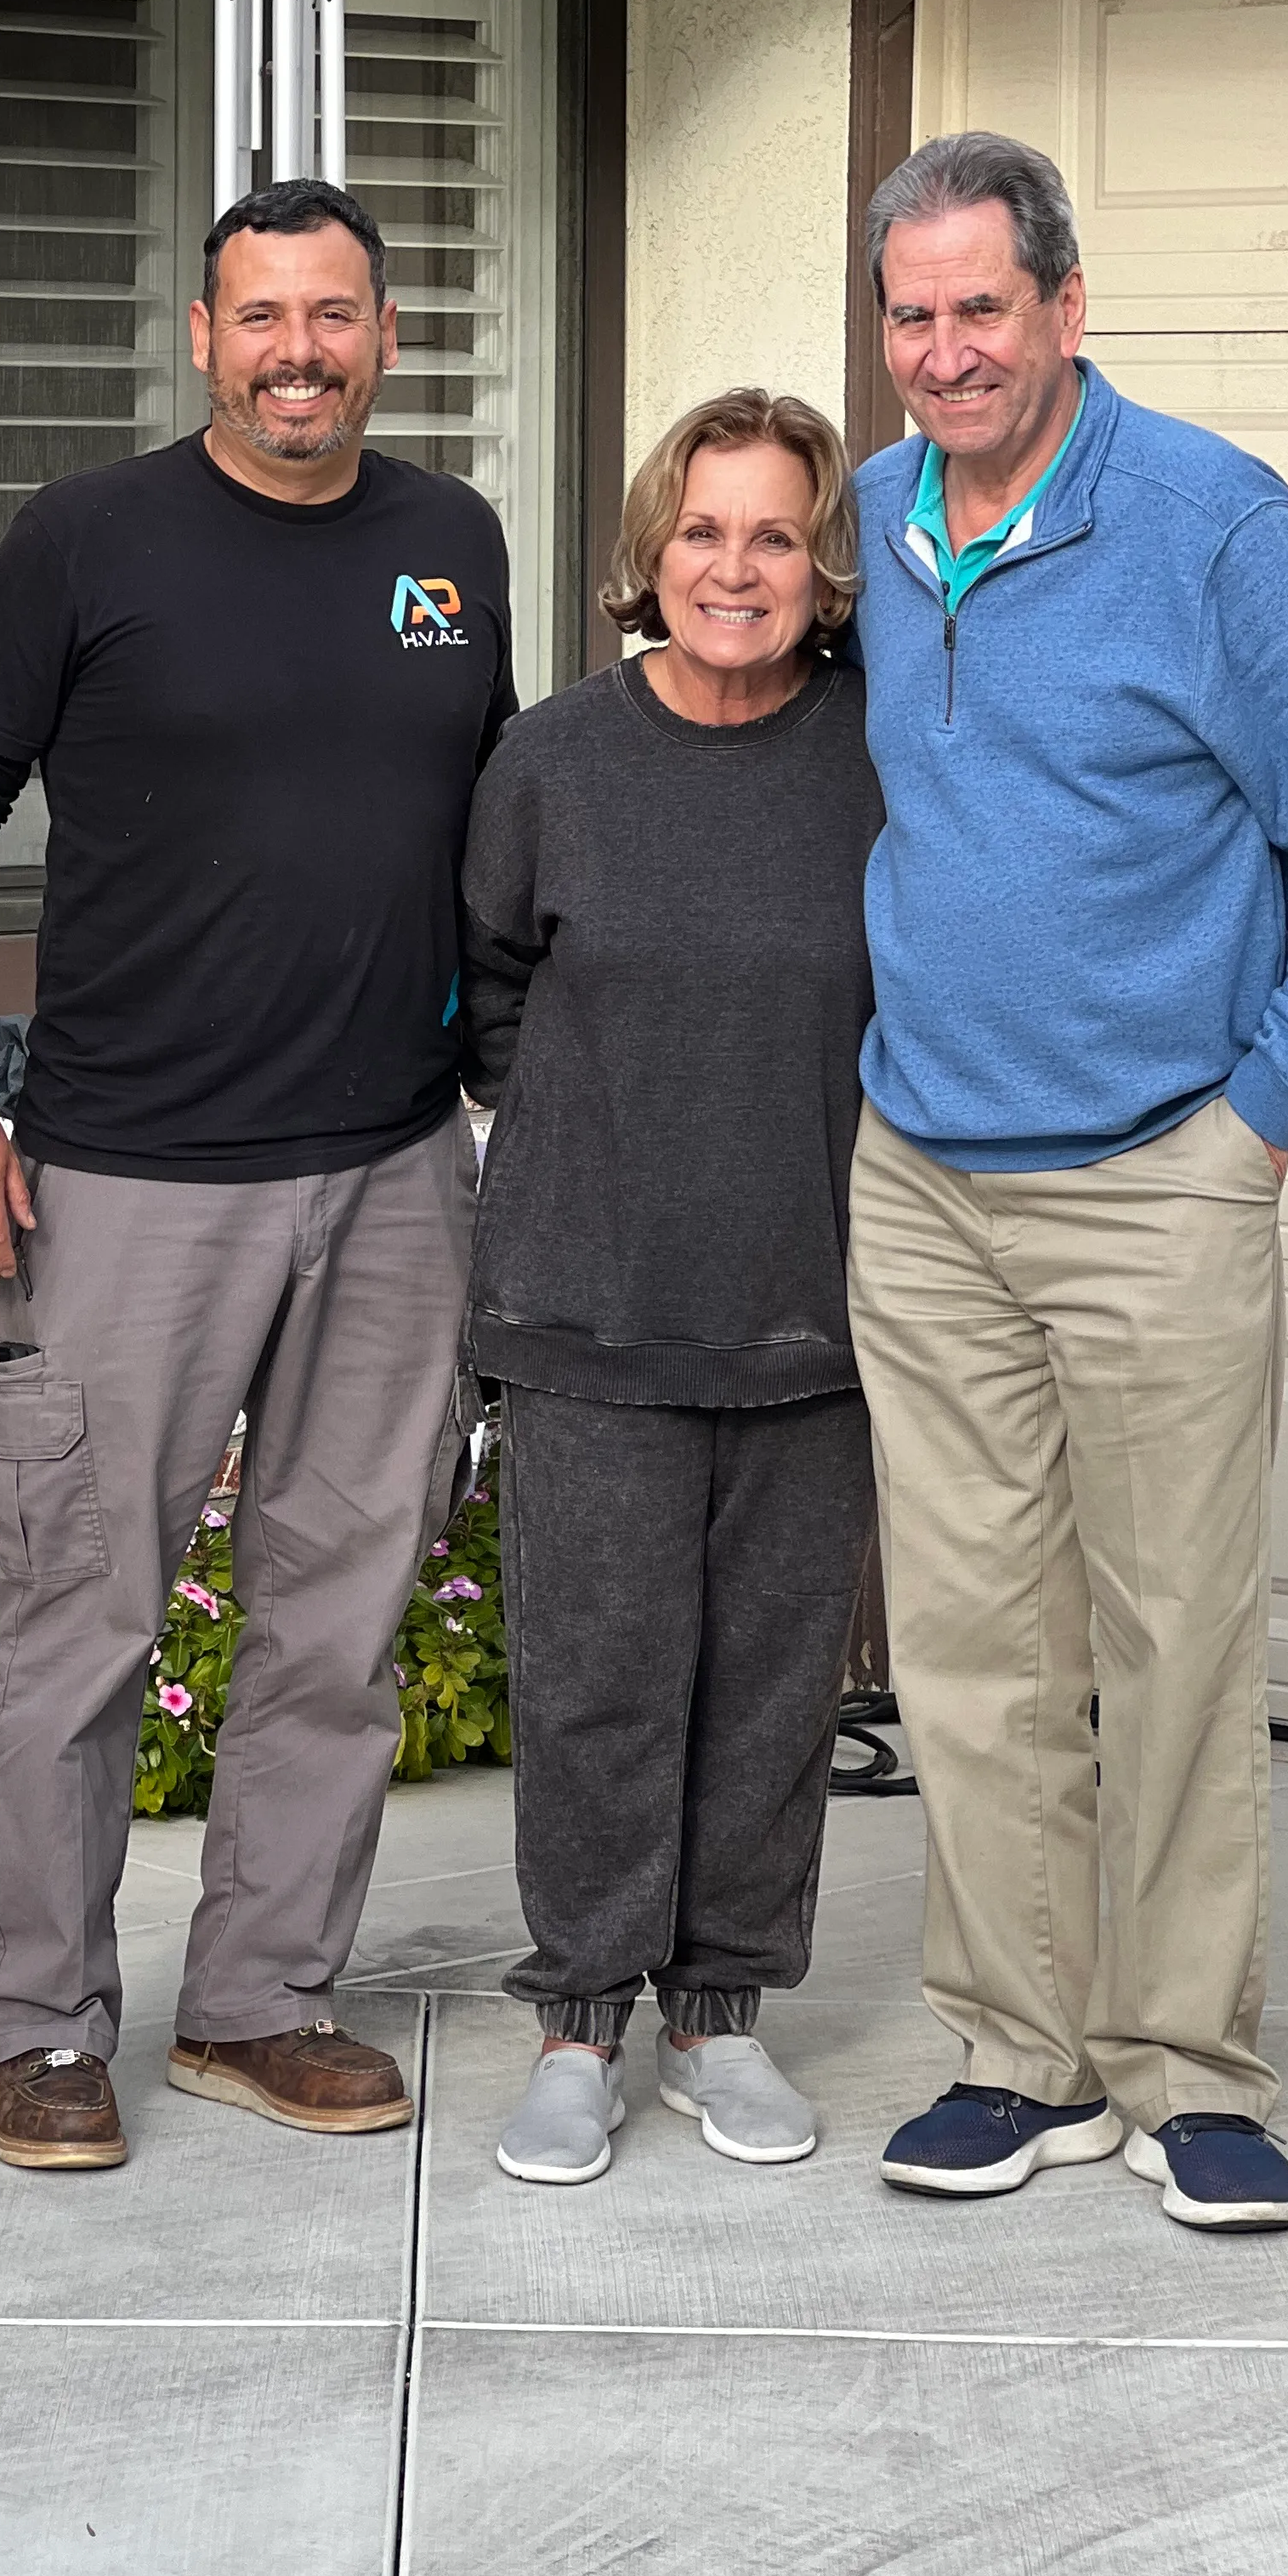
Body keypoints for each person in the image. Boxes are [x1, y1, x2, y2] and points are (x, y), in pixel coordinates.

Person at [847, 132, 1288, 2234]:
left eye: (981, 307)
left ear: (1068, 307)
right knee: (971, 1651)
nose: (945, 352)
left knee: (1177, 1637)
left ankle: (1190, 2071)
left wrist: (1253, 1118)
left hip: (1154, 1177)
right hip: (922, 1175)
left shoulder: (1209, 526)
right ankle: (1021, 2059)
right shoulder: (873, 519)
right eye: (911, 315)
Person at [0, 178, 513, 2171]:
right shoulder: (89, 537)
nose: (297, 354)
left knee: (339, 1622)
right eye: (261, 318)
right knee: (82, 1619)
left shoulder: (454, 544)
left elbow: (493, 826)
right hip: (128, 1180)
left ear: (386, 337)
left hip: (392, 1172)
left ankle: (259, 2001)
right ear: (203, 337)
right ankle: (44, 2028)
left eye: (333, 317)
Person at [460, 388, 883, 2186]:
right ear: (652, 550)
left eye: (776, 535)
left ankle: (721, 2017)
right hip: (590, 1300)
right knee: (596, 1684)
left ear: (825, 566)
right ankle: (578, 2026)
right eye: (704, 531)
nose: (735, 568)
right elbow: (486, 988)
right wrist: (594, 1138)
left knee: (773, 1691)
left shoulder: (880, 754)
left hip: (816, 1303)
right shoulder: (554, 760)